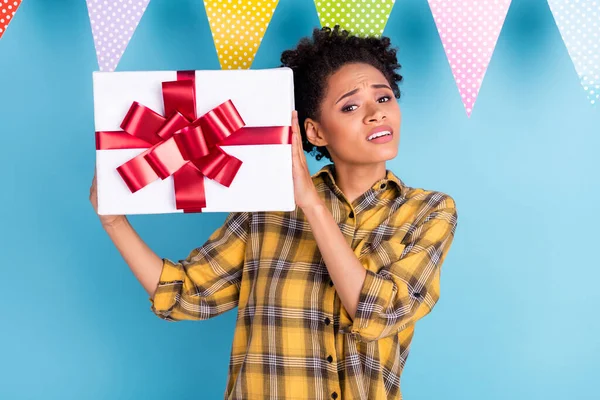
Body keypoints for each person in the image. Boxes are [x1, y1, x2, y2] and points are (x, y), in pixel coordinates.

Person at [90, 26, 458, 400]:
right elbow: (187, 294)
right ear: (314, 132)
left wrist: (311, 205)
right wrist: (114, 221)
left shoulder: (428, 211)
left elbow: (380, 312)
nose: (376, 114)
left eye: (384, 98)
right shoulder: (267, 205)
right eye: (350, 106)